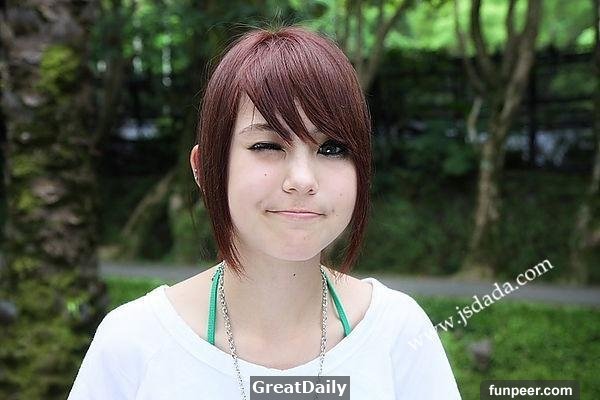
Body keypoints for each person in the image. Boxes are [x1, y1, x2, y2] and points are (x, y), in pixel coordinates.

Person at [67, 25, 461, 399]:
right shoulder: (134, 342)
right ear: (205, 169)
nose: (302, 180)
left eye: (332, 148)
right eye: (267, 145)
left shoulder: (398, 333)